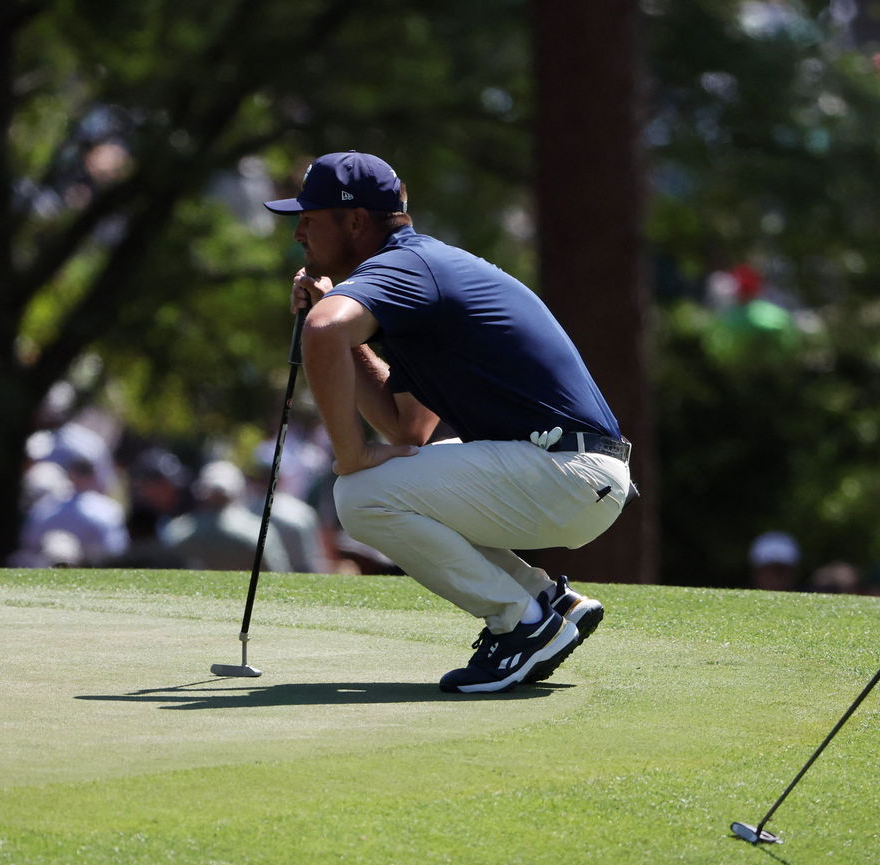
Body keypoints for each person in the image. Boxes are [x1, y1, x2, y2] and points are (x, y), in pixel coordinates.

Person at [263, 150, 631, 693]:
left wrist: (350, 456)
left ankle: (523, 624)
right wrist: (346, 330)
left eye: (310, 218)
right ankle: (545, 601)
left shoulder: (406, 268)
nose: (299, 233)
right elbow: (406, 430)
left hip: (566, 470)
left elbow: (323, 332)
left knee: (359, 493)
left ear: (357, 221)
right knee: (382, 483)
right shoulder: (415, 285)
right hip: (572, 474)